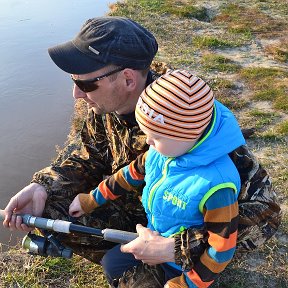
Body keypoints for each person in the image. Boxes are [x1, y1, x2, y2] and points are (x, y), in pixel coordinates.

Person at [2, 16, 280, 287]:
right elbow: (88, 156)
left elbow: (266, 212)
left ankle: (163, 269)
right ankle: (134, 259)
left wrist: (177, 247)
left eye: (85, 84)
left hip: (184, 222)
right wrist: (42, 186)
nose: (77, 94)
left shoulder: (185, 119)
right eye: (73, 81)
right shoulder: (103, 106)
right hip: (144, 208)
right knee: (49, 206)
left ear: (127, 79)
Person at [69, 69, 246, 287]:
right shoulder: (163, 152)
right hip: (155, 236)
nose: (148, 143)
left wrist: (187, 283)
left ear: (187, 134)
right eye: (147, 134)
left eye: (156, 137)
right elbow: (128, 175)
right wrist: (91, 199)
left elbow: (222, 247)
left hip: (185, 263)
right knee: (112, 264)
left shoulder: (216, 186)